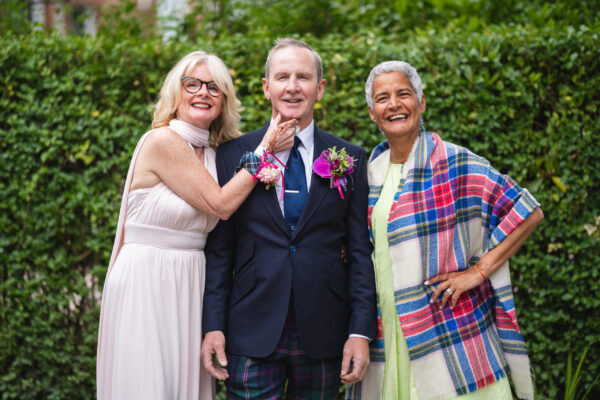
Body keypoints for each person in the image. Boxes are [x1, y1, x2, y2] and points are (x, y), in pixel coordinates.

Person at [96, 50, 296, 400]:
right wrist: (265, 147)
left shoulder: (213, 155)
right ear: (177, 91)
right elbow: (220, 205)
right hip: (149, 280)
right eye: (193, 84)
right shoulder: (162, 142)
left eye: (214, 87)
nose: (203, 92)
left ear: (223, 102)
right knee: (149, 384)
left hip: (189, 282)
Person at [346, 60, 544, 400]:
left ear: (421, 103)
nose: (393, 104)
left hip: (450, 332)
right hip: (388, 331)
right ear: (372, 112)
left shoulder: (455, 162)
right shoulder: (368, 173)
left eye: (403, 94)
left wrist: (479, 271)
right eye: (382, 98)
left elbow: (528, 211)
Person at [201, 38, 378, 399]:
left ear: (320, 88)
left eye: (304, 77)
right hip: (251, 327)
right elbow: (220, 251)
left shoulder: (350, 157)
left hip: (325, 330)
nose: (293, 86)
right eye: (282, 76)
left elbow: (361, 252)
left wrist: (360, 332)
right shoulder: (232, 154)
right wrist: (213, 325)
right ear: (267, 87)